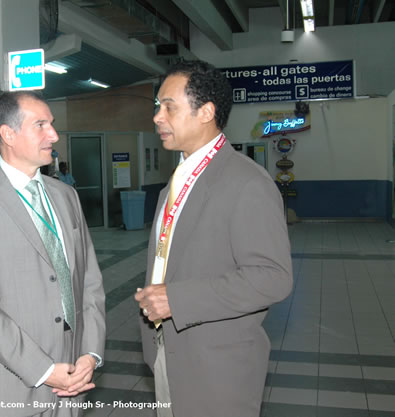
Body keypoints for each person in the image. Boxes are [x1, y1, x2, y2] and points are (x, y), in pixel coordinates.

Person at [135, 60, 293, 417]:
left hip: (216, 369)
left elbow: (273, 277)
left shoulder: (246, 182)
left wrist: (176, 299)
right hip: (169, 351)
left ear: (205, 112)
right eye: (157, 107)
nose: (158, 117)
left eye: (168, 107)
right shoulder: (176, 183)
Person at [0, 91, 106, 417]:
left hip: (74, 375)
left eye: (53, 125)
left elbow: (89, 282)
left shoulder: (66, 197)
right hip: (16, 380)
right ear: (8, 134)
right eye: (41, 125)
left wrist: (90, 354)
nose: (54, 135)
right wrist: (45, 370)